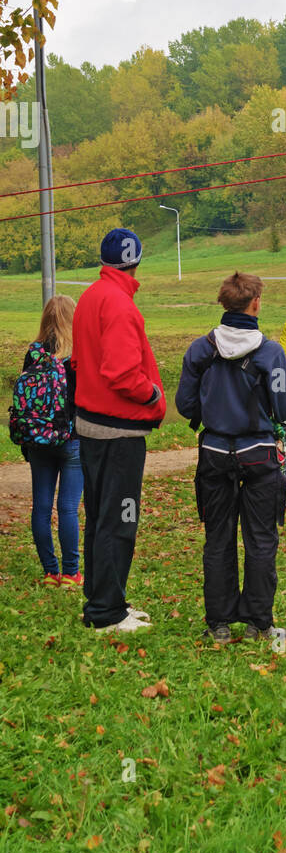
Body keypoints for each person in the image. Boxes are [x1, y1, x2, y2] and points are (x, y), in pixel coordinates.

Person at [176, 271, 286, 643]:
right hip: (258, 454)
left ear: (225, 304)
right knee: (261, 540)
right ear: (255, 303)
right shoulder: (270, 351)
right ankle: (260, 622)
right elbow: (284, 406)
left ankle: (219, 623)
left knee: (218, 538)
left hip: (213, 451)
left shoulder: (200, 348)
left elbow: (184, 403)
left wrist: (207, 415)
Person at [72, 228, 166, 634]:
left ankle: (101, 598)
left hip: (90, 425)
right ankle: (107, 612)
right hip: (119, 432)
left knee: (99, 516)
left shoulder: (90, 297)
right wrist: (152, 396)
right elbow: (122, 373)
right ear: (137, 260)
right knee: (120, 520)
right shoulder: (121, 306)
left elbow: (80, 360)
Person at [10, 296, 83, 586]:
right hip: (71, 440)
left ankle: (50, 572)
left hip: (37, 440)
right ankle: (71, 573)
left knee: (41, 506)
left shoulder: (34, 354)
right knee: (67, 507)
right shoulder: (77, 355)